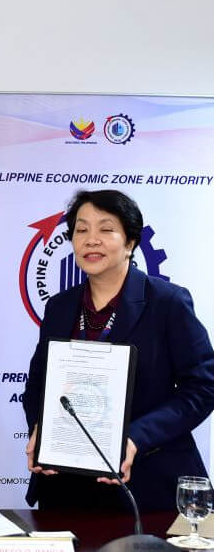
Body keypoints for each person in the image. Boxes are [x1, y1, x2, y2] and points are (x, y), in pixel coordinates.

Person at [23, 189, 214, 512]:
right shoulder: (60, 307)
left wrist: (136, 437)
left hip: (148, 485)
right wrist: (41, 428)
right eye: (81, 230)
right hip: (66, 486)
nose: (91, 240)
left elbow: (203, 388)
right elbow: (37, 387)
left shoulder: (167, 302)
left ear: (131, 242)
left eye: (106, 229)